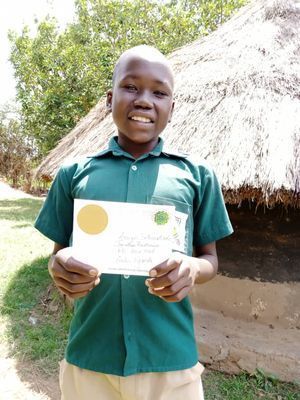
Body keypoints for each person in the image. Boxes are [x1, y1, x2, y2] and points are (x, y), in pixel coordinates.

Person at [35, 45, 233, 400]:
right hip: (90, 359)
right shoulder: (74, 175)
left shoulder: (197, 175)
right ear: (109, 99)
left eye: (159, 92)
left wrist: (191, 268)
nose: (144, 100)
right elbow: (57, 255)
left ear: (172, 107)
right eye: (131, 87)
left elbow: (210, 259)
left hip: (170, 363)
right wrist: (58, 265)